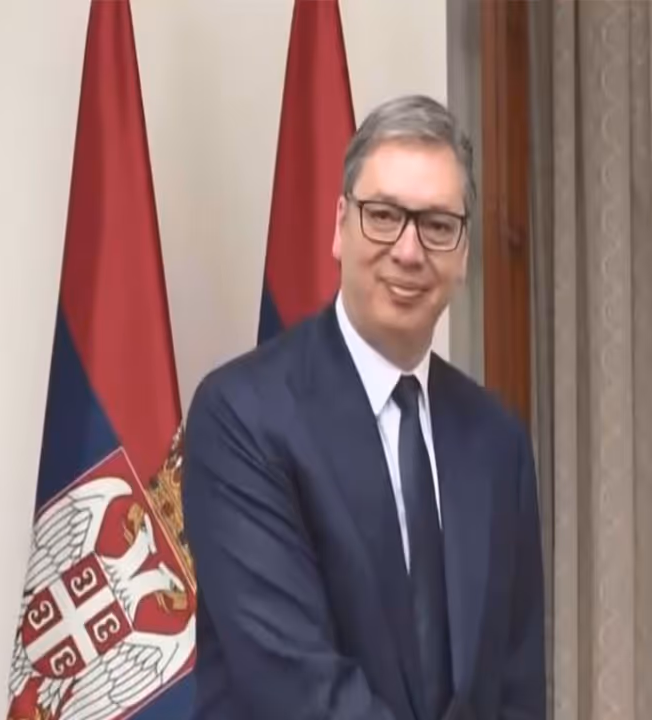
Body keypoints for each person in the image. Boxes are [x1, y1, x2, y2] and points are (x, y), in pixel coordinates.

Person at [183, 95, 544, 720]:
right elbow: (298, 692)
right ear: (338, 227)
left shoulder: (497, 442)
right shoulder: (241, 417)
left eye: (437, 225)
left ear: (461, 256)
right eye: (383, 216)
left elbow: (517, 690)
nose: (408, 251)